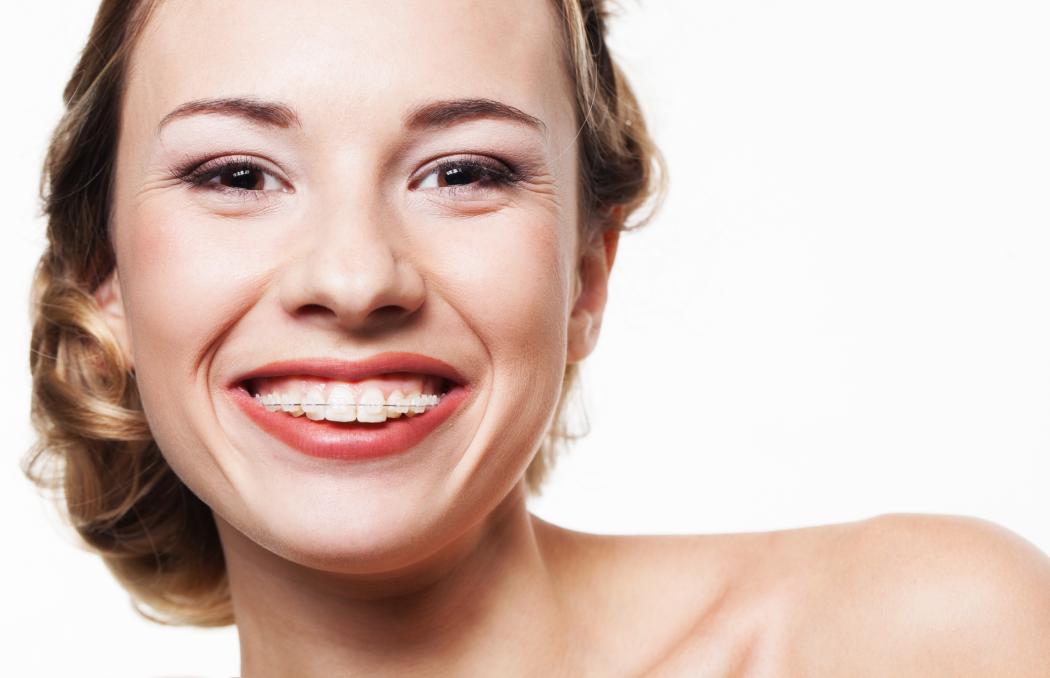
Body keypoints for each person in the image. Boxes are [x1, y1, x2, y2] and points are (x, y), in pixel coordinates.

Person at [23, 0, 1050, 675]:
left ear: (586, 274)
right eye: (238, 175)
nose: (354, 277)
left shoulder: (920, 640)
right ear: (99, 278)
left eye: (463, 172)